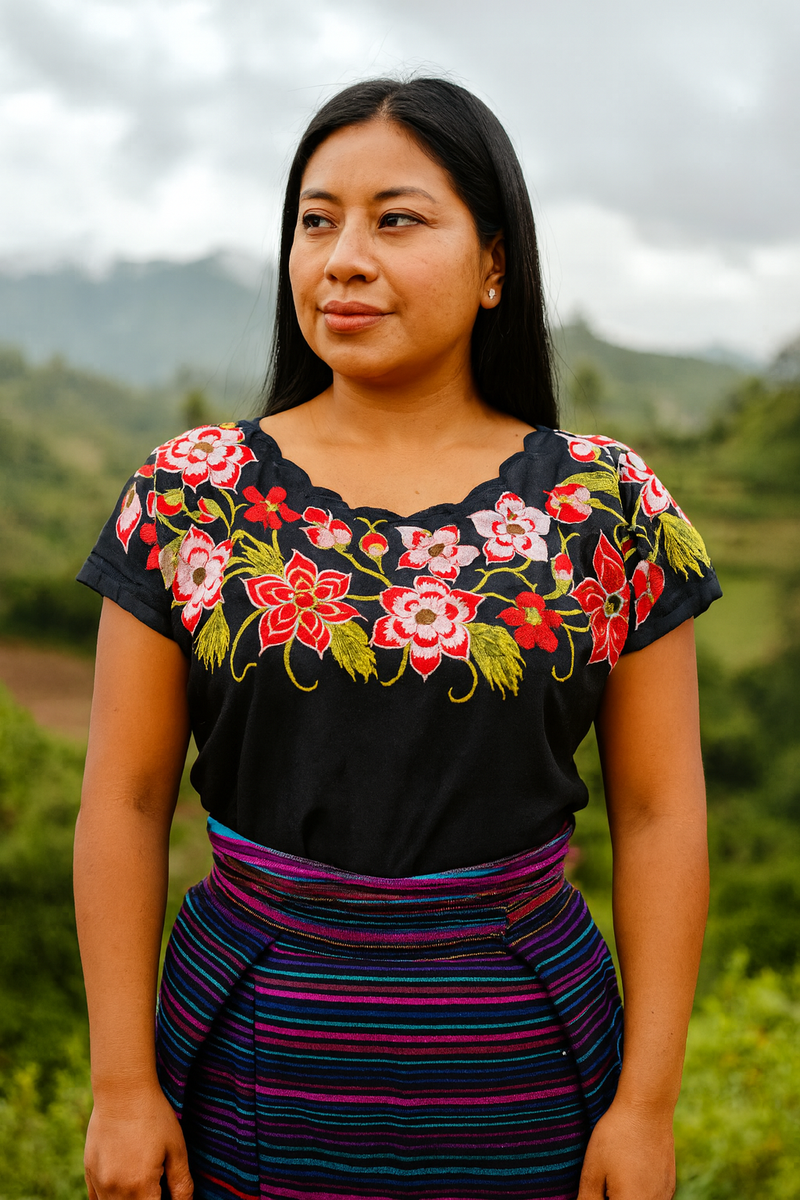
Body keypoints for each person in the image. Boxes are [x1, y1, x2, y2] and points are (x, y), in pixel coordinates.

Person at [74, 77, 720, 1200]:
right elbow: (125, 802)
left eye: (397, 219)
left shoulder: (604, 504)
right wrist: (123, 1087)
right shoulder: (191, 495)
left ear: (494, 264)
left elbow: (661, 815)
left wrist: (646, 1108)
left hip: (523, 1053)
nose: (344, 259)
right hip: (249, 1040)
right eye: (316, 220)